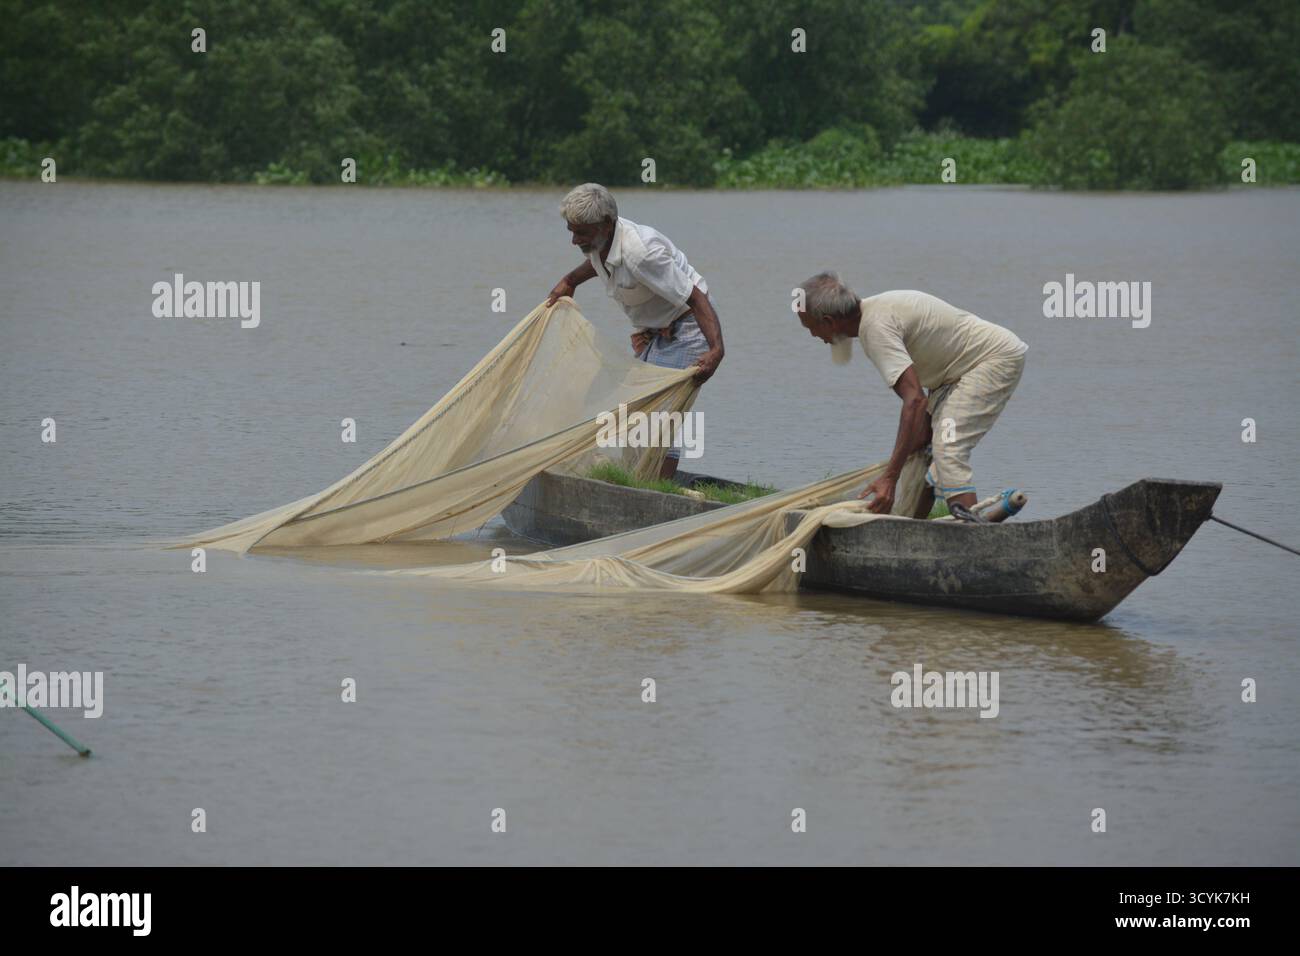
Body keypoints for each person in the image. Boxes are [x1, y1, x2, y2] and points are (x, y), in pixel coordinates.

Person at [795, 273, 1026, 522]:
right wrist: (916, 442)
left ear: (829, 322)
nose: (813, 336)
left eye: (810, 327)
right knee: (923, 451)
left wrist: (890, 477)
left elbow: (914, 400)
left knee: (948, 446)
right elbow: (931, 366)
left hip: (990, 361)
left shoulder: (876, 329)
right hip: (954, 374)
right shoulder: (875, 313)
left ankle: (972, 538)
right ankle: (912, 532)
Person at [546, 183, 724, 478]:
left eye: (582, 232)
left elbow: (695, 298)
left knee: (660, 418)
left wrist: (716, 351)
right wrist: (570, 280)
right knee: (635, 410)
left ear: (606, 224)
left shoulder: (641, 253)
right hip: (658, 330)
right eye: (571, 231)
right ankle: (641, 482)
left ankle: (658, 494)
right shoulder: (602, 242)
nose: (575, 240)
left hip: (690, 325)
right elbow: (598, 262)